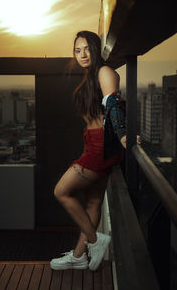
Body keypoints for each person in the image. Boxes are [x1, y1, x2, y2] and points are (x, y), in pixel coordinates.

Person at [50, 30, 141, 271]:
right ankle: (80, 256)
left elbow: (113, 104)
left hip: (102, 145)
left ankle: (94, 240)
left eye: (87, 48)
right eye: (77, 50)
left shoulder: (104, 71)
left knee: (61, 191)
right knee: (92, 203)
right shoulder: (90, 76)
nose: (82, 54)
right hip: (92, 142)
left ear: (96, 48)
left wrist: (123, 135)